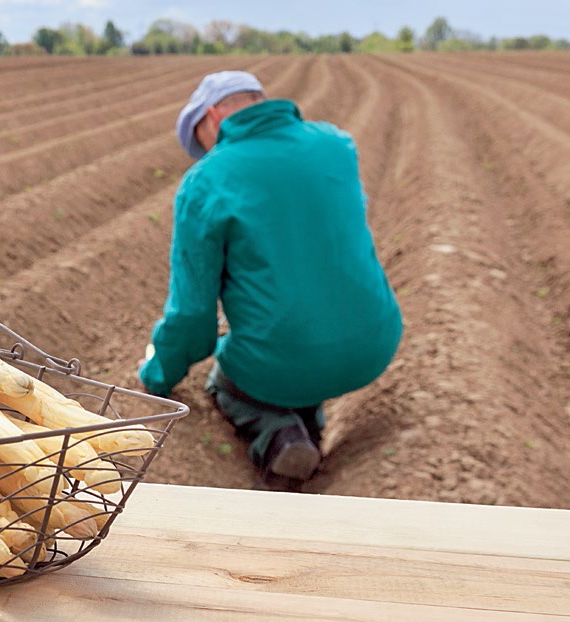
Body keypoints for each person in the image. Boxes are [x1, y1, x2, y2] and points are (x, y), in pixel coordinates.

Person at [138, 70, 402, 489]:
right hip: (374, 344)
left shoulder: (207, 181)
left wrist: (156, 376)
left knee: (227, 378)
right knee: (293, 325)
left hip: (285, 359)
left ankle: (280, 437)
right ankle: (306, 426)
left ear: (212, 117)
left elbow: (192, 317)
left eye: (201, 140)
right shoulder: (336, 144)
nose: (206, 152)